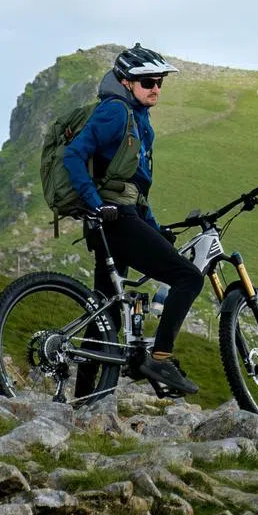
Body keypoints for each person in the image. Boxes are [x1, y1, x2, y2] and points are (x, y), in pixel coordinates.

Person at [62, 44, 201, 396]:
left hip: (121, 217)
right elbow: (74, 155)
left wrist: (154, 229)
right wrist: (96, 205)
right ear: (125, 82)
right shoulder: (115, 112)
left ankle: (86, 398)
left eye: (159, 82)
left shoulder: (137, 116)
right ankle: (160, 358)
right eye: (147, 82)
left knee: (103, 313)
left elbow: (134, 187)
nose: (155, 88)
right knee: (188, 277)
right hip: (114, 219)